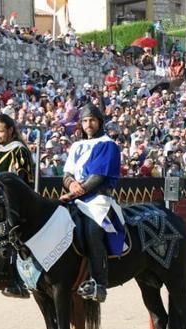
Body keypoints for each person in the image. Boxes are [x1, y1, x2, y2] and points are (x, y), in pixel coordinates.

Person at [61, 103, 124, 303]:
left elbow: (98, 176)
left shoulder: (108, 144)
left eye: (92, 120)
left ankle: (99, 284)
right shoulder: (76, 145)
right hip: (76, 198)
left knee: (92, 230)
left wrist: (76, 192)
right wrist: (71, 186)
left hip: (97, 199)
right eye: (85, 121)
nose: (88, 124)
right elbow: (66, 174)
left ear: (99, 122)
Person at [0, 113, 35, 299]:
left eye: (0, 131)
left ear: (10, 130)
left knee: (10, 229)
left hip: (11, 202)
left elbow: (23, 182)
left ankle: (15, 278)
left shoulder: (19, 150)